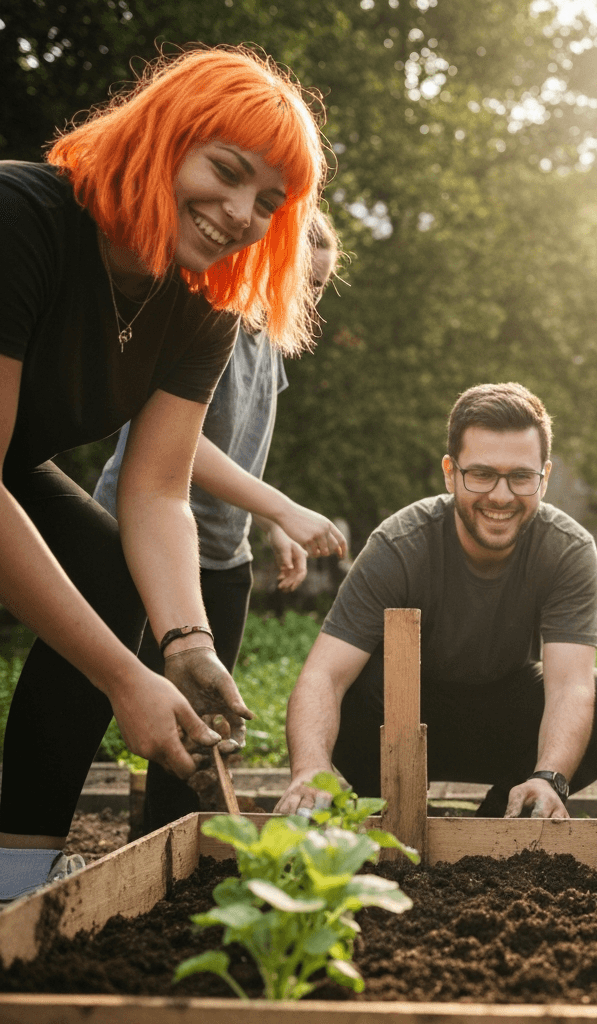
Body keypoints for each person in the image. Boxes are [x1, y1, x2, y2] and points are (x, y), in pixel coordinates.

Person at [0, 46, 327, 900]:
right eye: (226, 170)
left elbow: (156, 489)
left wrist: (184, 644)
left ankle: (13, 877)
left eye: (268, 202)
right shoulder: (22, 218)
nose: (239, 213)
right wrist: (121, 678)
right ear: (165, 133)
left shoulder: (200, 304)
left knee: (108, 565)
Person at [92, 210, 345, 833]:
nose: (306, 299)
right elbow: (181, 445)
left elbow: (251, 439)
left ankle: (163, 849)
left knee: (204, 716)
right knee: (92, 696)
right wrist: (282, 506)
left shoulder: (267, 344)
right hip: (137, 536)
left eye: (316, 288)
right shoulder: (205, 317)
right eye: (299, 281)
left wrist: (270, 523)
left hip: (223, 557)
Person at [275, 382, 597, 819]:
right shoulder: (399, 544)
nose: (501, 496)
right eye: (481, 474)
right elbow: (324, 676)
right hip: (401, 721)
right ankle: (394, 810)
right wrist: (310, 769)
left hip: (504, 725)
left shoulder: (567, 549)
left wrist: (550, 775)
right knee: (358, 685)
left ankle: (508, 815)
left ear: (545, 477)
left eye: (521, 477)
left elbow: (568, 687)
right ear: (450, 472)